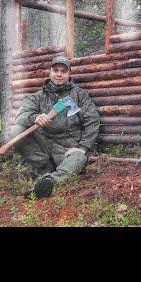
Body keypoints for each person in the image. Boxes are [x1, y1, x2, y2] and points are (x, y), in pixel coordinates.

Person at [14, 55, 100, 199]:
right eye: (56, 70)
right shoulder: (38, 96)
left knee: (79, 158)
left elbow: (92, 121)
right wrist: (35, 118)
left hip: (67, 146)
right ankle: (44, 169)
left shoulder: (79, 95)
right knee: (15, 132)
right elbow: (20, 116)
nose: (59, 74)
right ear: (50, 72)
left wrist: (83, 147)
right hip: (43, 144)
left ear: (69, 74)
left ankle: (50, 182)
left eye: (63, 71)